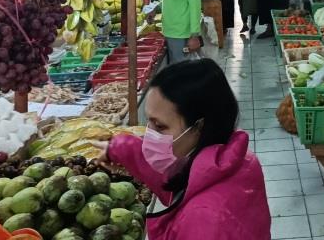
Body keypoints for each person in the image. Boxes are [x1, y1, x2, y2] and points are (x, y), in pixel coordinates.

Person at [105, 58, 270, 240]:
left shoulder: (204, 221)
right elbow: (173, 180)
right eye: (148, 121)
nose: (149, 135)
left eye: (160, 127)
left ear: (199, 126)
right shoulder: (236, 159)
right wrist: (117, 148)